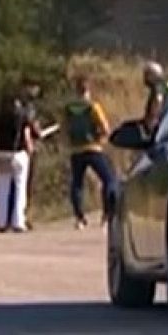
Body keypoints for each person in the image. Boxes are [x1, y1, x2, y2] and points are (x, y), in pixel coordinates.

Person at [62, 76, 117, 229]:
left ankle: (79, 217)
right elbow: (105, 128)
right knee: (108, 179)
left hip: (76, 150)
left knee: (77, 183)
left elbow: (64, 128)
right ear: (88, 89)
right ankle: (107, 214)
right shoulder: (93, 106)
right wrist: (102, 139)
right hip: (93, 148)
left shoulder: (68, 108)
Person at [0, 86, 38, 233]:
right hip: (18, 153)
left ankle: (2, 222)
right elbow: (29, 134)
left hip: (2, 153)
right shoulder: (22, 116)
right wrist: (31, 146)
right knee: (20, 188)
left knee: (3, 189)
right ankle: (18, 222)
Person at [141, 61, 168, 136]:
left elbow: (158, 100)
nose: (145, 78)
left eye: (146, 74)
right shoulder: (167, 84)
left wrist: (153, 120)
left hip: (160, 122)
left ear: (152, 75)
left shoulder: (158, 85)